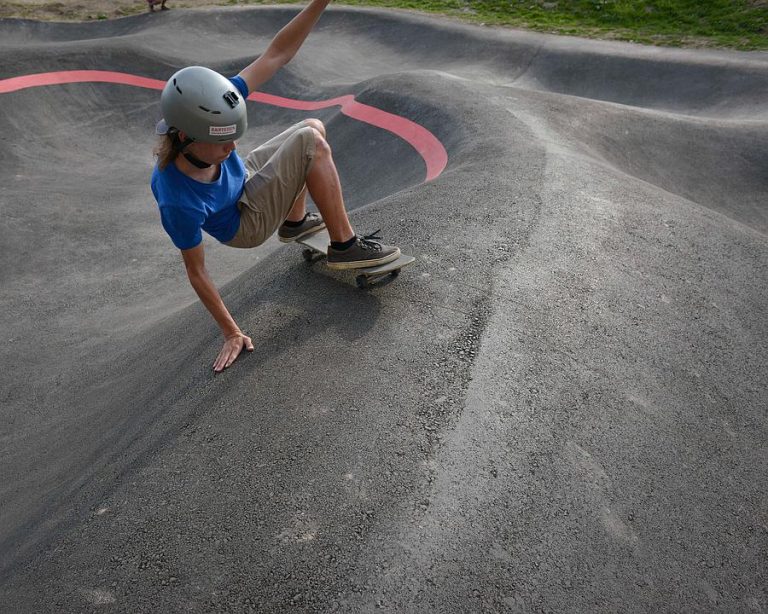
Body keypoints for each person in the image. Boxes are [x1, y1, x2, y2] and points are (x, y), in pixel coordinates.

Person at [151, 0, 400, 373]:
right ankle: (345, 247)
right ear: (185, 137)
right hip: (244, 223)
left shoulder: (212, 108)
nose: (232, 146)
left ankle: (295, 222)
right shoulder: (176, 200)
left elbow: (278, 53)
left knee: (313, 127)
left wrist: (320, 2)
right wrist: (231, 331)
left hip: (244, 181)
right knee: (310, 146)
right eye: (222, 143)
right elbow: (197, 272)